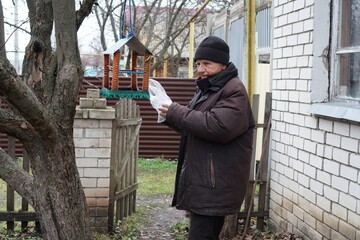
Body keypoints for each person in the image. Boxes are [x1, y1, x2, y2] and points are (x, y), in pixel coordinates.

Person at [159, 35, 255, 240]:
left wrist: (176, 112)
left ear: (223, 65)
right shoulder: (208, 88)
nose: (200, 69)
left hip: (215, 184)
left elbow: (218, 127)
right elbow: (195, 125)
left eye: (206, 64)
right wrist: (168, 116)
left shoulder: (233, 90)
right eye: (198, 64)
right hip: (207, 182)